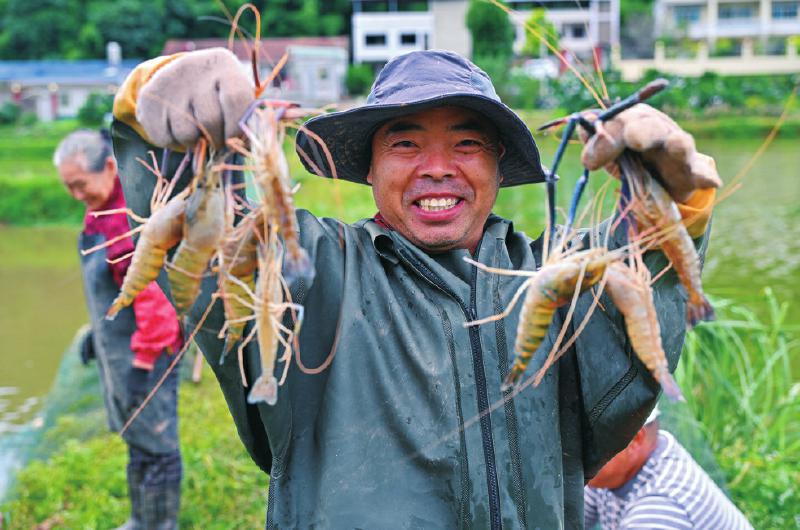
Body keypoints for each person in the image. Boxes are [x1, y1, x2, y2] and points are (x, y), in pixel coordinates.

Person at [110, 48, 719, 528]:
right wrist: (158, 101)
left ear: (497, 165)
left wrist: (678, 198)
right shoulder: (309, 269)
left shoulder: (554, 280)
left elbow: (643, 285)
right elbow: (193, 223)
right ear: (370, 168)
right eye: (404, 143)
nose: (437, 167)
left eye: (467, 143)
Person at [54, 130, 184, 530]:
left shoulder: (127, 221)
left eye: (81, 184)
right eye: (69, 187)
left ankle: (160, 524)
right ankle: (140, 519)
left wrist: (142, 366)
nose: (77, 194)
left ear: (110, 167)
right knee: (137, 438)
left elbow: (156, 304)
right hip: (121, 349)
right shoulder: (98, 209)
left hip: (148, 354)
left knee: (157, 444)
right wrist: (96, 334)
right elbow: (113, 291)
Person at [584, 407, 752, 529]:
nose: (576, 454)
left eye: (586, 443)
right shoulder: (610, 471)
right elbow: (572, 516)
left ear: (634, 441)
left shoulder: (659, 508)